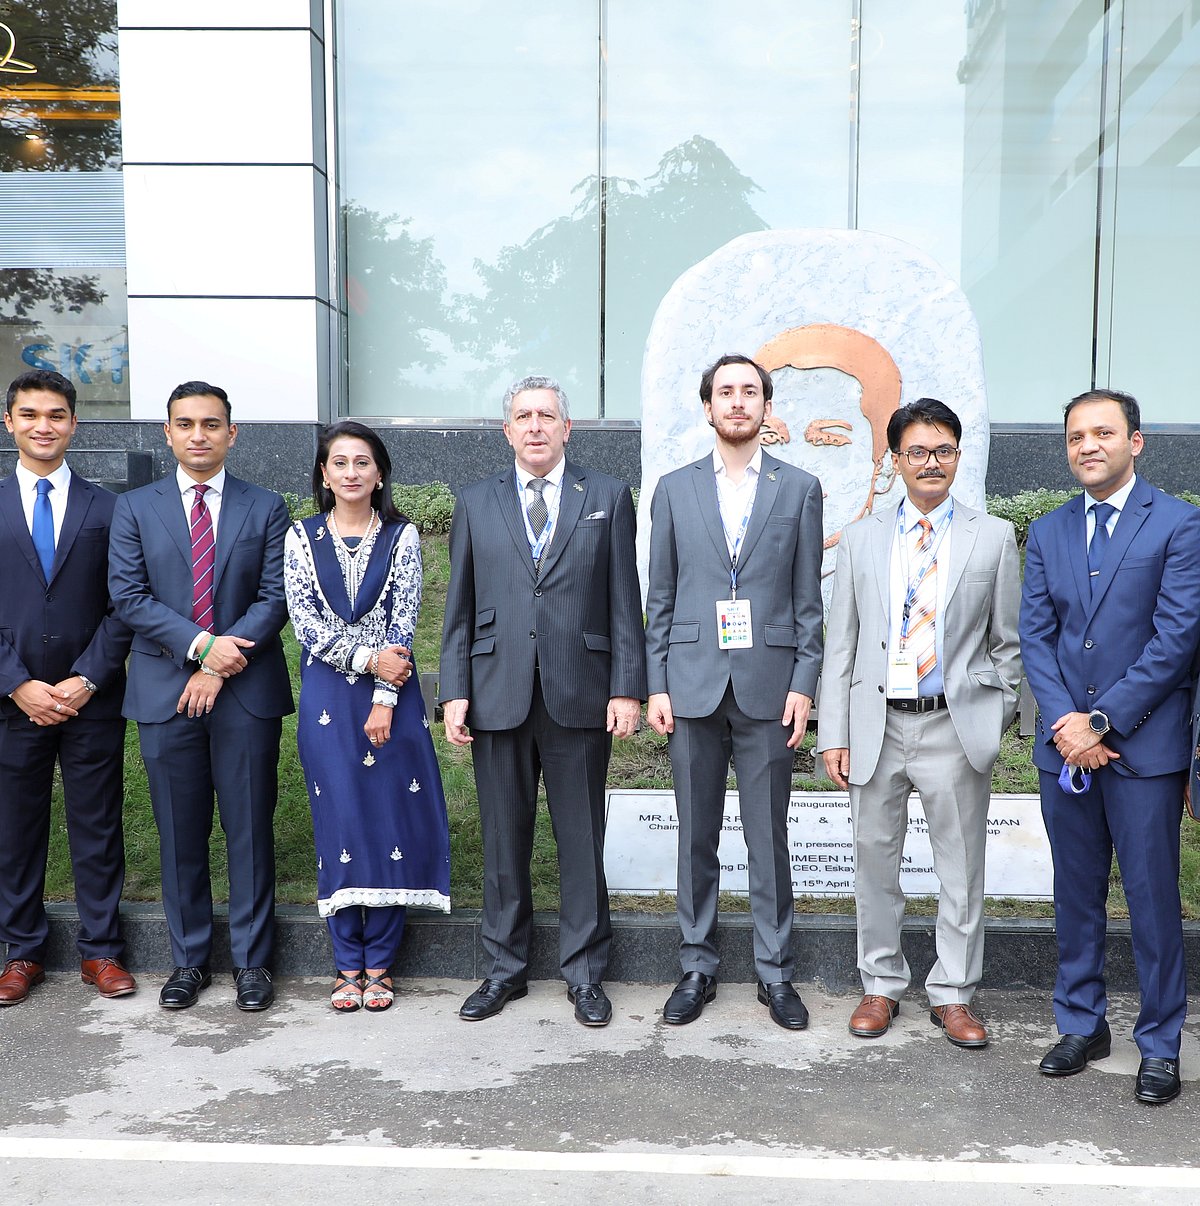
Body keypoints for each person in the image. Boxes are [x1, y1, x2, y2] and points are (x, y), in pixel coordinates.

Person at [441, 374, 646, 1027]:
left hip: (579, 692)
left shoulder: (607, 497)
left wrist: (626, 687)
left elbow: (623, 602)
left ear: (567, 428)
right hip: (498, 692)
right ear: (508, 430)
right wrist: (454, 691)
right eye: (523, 416)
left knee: (581, 841)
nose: (534, 426)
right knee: (504, 840)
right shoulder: (475, 502)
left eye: (546, 416)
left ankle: (585, 973)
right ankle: (504, 970)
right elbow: (460, 609)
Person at [817, 398, 1021, 1048]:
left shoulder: (992, 537)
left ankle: (954, 994)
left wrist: (995, 711)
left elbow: (1007, 644)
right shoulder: (861, 538)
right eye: (918, 452)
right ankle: (879, 985)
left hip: (953, 729)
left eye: (943, 451)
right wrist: (835, 732)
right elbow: (841, 644)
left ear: (957, 457)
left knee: (961, 869)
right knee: (874, 863)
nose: (931, 463)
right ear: (896, 460)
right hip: (879, 726)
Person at [1020, 388, 1200, 1106]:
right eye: (1075, 437)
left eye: (1102, 433)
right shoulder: (1048, 530)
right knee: (1076, 894)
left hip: (1144, 751)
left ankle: (1159, 1043)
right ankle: (1081, 1022)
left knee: (1153, 901)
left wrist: (1103, 723)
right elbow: (1037, 637)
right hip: (1064, 749)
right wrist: (1068, 724)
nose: (1087, 446)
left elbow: (1177, 638)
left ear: (1136, 442)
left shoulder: (1180, 525)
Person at [645, 354, 823, 1029]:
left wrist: (805, 684)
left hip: (768, 689)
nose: (739, 402)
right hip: (691, 686)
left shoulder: (798, 488)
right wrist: (656, 682)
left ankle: (776, 975)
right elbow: (658, 597)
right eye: (727, 392)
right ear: (708, 407)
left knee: (767, 837)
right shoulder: (674, 489)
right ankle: (696, 966)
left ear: (766, 407)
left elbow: (810, 602)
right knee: (697, 835)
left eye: (751, 392)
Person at [109, 381, 293, 1012]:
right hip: (164, 691)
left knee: (248, 830)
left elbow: (275, 598)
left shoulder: (266, 507)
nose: (198, 435)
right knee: (179, 833)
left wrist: (220, 662)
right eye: (185, 424)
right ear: (167, 432)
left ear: (231, 433)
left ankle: (252, 962)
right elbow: (130, 598)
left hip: (244, 693)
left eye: (211, 424)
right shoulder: (134, 509)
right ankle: (187, 961)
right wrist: (198, 649)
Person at [284, 421, 451, 1012]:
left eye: (363, 462)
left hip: (392, 699)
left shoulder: (402, 538)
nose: (351, 473)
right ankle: (344, 961)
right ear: (324, 475)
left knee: (388, 821)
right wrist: (365, 658)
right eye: (339, 463)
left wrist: (384, 696)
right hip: (328, 697)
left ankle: (379, 962)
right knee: (341, 821)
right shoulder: (301, 538)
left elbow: (404, 622)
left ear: (379, 473)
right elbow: (305, 623)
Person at [0, 370, 134, 1006]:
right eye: (30, 414)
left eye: (56, 414)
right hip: (12, 703)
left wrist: (87, 678)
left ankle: (102, 951)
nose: (43, 425)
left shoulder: (110, 509)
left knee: (98, 826)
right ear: (10, 423)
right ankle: (21, 951)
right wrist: (17, 684)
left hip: (91, 700)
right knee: (15, 829)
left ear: (75, 424)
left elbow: (124, 605)